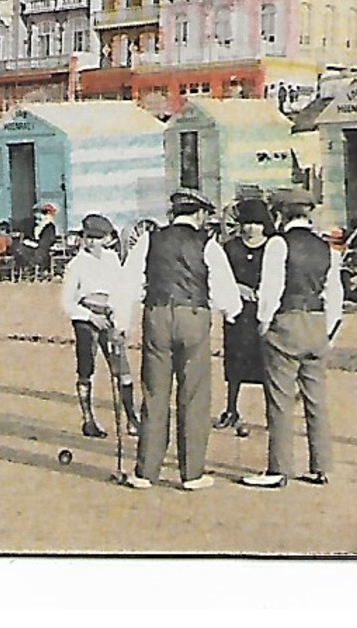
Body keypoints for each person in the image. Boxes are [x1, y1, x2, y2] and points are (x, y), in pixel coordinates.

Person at [127, 188, 242, 491]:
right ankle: (192, 473)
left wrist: (119, 321)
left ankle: (145, 472)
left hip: (157, 315)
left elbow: (128, 282)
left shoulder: (149, 239)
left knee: (154, 393)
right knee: (194, 395)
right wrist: (230, 314)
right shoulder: (208, 244)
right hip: (193, 317)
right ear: (201, 214)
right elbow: (228, 295)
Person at [241, 188, 342, 489]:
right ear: (308, 213)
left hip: (286, 322)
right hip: (317, 324)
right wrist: (330, 331)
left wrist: (263, 322)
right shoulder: (327, 247)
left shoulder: (278, 244)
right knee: (316, 401)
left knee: (280, 400)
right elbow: (334, 293)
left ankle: (279, 469)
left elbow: (271, 287)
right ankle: (321, 466)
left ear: (279, 214)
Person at [60, 213, 140, 440]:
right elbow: (67, 302)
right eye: (88, 237)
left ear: (107, 239)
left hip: (110, 316)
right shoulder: (76, 265)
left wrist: (118, 318)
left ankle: (132, 419)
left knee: (122, 370)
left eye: (97, 237)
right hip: (86, 319)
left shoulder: (112, 259)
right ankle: (88, 419)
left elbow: (121, 290)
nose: (92, 242)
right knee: (86, 368)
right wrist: (89, 317)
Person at [215, 197, 272, 430]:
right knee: (235, 360)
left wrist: (264, 291)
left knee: (268, 362)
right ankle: (231, 409)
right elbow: (219, 276)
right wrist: (237, 288)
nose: (250, 228)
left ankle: (272, 412)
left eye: (256, 223)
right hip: (238, 313)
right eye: (246, 223)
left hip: (264, 312)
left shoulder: (273, 246)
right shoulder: (230, 248)